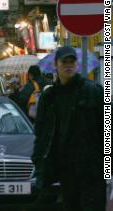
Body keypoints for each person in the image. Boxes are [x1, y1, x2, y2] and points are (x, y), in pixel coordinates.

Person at [32, 46, 105, 211]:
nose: (68, 65)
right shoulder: (48, 97)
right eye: (64, 62)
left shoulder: (93, 91)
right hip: (63, 169)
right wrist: (39, 163)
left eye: (72, 62)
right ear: (56, 65)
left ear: (77, 65)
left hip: (91, 168)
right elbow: (41, 133)